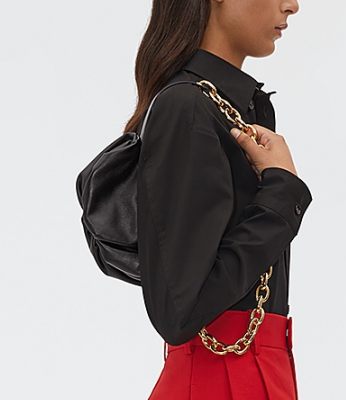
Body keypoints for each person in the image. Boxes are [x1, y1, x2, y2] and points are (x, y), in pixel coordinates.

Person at [125, 0, 311, 398]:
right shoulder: (186, 108)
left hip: (260, 373)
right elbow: (179, 312)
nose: (293, 5)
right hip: (220, 379)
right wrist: (282, 192)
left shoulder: (235, 110)